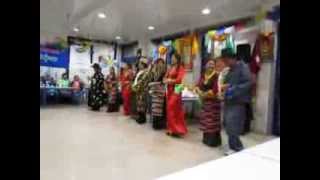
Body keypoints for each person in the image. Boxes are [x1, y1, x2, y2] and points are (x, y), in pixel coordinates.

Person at [220, 48, 252, 155]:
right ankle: (233, 147)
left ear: (232, 58)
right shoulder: (230, 70)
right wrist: (224, 87)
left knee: (233, 125)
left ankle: (238, 148)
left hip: (238, 102)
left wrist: (231, 89)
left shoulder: (243, 67)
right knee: (228, 125)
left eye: (225, 61)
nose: (225, 63)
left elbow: (248, 83)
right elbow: (227, 83)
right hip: (229, 101)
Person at [194, 58, 224, 147]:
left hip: (213, 103)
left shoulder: (217, 76)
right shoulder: (203, 75)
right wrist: (199, 91)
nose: (211, 66)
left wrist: (205, 94)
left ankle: (213, 141)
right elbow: (197, 85)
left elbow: (215, 89)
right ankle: (206, 139)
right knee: (206, 122)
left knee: (212, 123)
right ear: (205, 65)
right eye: (209, 64)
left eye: (212, 64)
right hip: (205, 103)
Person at [163, 53, 187, 137]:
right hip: (169, 90)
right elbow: (165, 78)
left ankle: (177, 130)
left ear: (177, 59)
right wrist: (165, 80)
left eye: (174, 58)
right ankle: (171, 129)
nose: (172, 59)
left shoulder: (180, 68)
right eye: (172, 57)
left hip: (177, 89)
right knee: (169, 109)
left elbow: (179, 80)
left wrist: (169, 81)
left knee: (172, 107)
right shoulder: (170, 68)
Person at [132, 57, 151, 124]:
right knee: (139, 104)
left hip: (142, 90)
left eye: (140, 64)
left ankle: (142, 118)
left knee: (142, 104)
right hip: (138, 90)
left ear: (143, 64)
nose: (139, 65)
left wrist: (136, 86)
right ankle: (140, 117)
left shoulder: (146, 72)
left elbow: (142, 81)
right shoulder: (140, 72)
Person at [148, 58, 167, 129]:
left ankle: (160, 124)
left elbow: (163, 82)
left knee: (160, 109)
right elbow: (150, 80)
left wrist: (153, 83)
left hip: (161, 93)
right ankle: (155, 123)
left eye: (161, 63)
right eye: (158, 63)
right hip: (154, 93)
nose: (160, 64)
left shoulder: (165, 72)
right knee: (155, 109)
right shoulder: (155, 72)